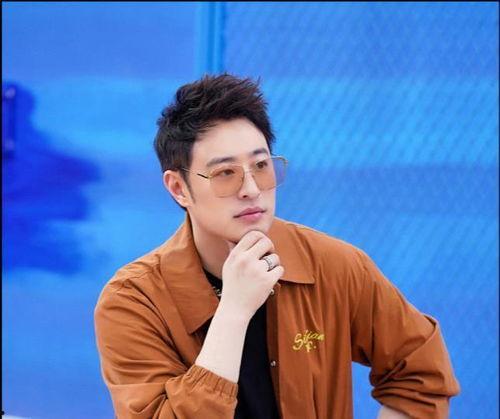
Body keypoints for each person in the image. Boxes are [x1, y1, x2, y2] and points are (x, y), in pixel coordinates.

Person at [94, 74, 460, 419]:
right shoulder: (133, 301)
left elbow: (421, 369)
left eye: (261, 165)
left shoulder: (333, 265)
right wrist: (234, 312)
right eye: (225, 173)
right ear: (178, 188)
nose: (251, 189)